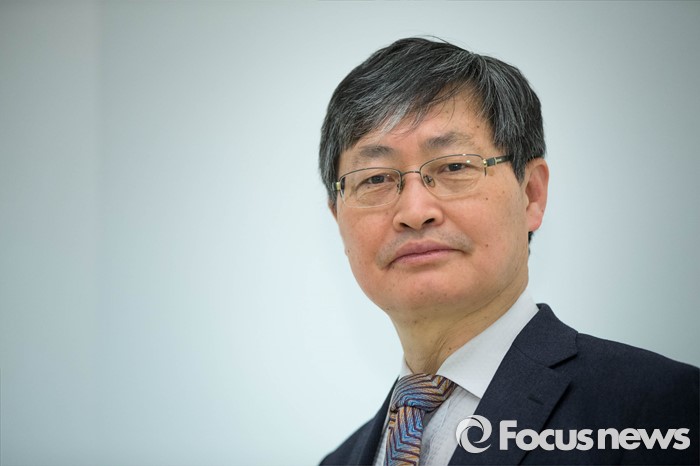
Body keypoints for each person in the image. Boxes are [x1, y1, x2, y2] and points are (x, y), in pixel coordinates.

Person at [317, 37, 699, 466]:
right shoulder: (339, 461)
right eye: (375, 179)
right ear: (338, 217)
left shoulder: (658, 408)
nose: (415, 212)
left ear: (531, 194)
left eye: (454, 167)